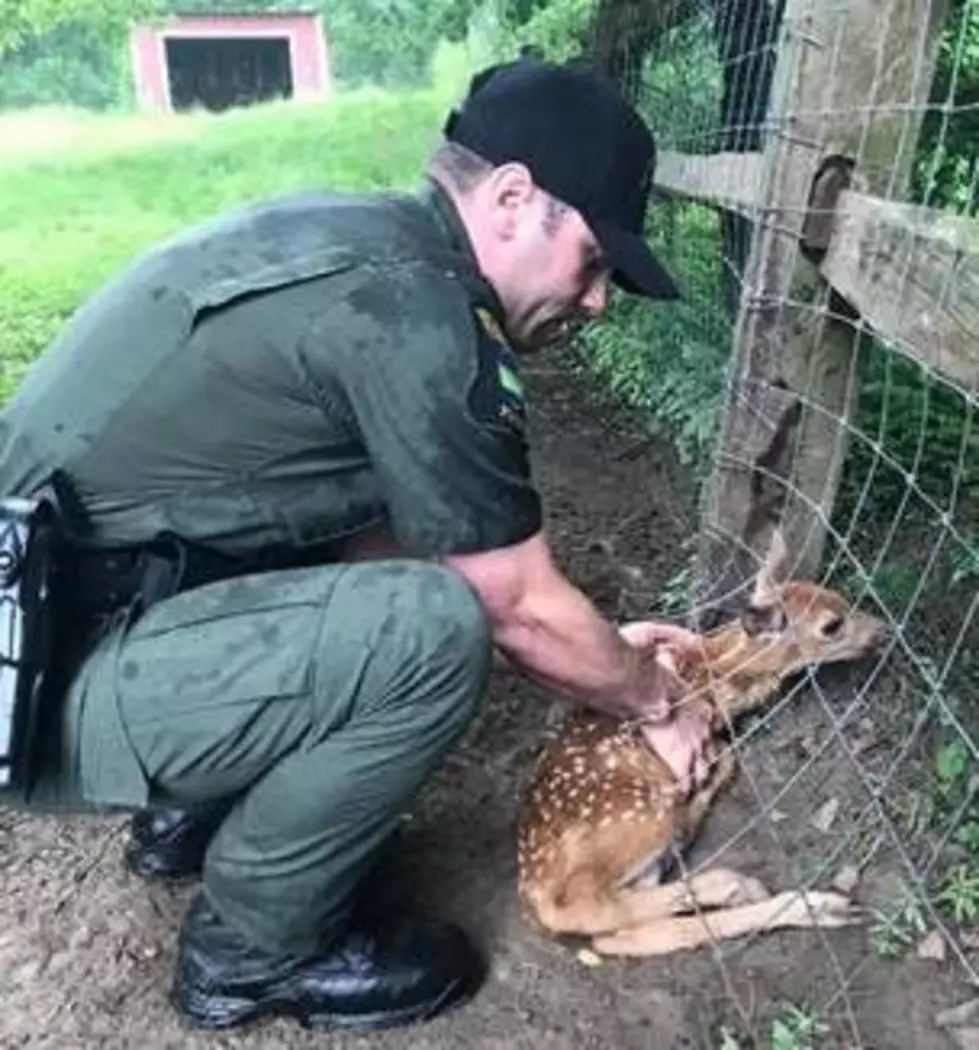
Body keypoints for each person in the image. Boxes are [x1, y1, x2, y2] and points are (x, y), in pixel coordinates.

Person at [0, 56, 713, 1033]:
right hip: (39, 682)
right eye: (594, 261)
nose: (596, 302)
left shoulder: (359, 244)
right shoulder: (423, 321)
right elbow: (508, 606)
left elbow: (403, 545)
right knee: (432, 630)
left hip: (56, 627)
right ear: (511, 199)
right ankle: (252, 954)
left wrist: (593, 653)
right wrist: (651, 695)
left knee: (405, 588)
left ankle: (191, 814)